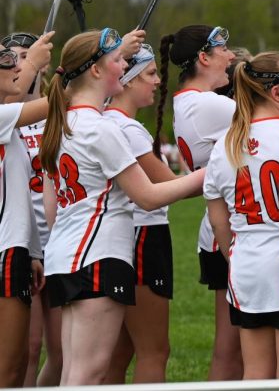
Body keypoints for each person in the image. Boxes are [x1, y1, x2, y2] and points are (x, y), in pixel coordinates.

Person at [40, 30, 204, 386]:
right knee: (88, 372)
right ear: (97, 71)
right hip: (98, 258)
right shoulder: (100, 129)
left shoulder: (62, 124)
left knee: (74, 369)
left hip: (65, 256)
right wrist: (212, 172)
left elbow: (52, 208)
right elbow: (148, 196)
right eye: (118, 62)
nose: (124, 68)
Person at [206, 52, 279, 379]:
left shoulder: (226, 142)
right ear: (277, 93)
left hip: (246, 270)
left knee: (255, 375)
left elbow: (217, 218)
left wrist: (234, 255)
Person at [155, 24, 242, 380]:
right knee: (234, 350)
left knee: (231, 347)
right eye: (225, 49)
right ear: (204, 58)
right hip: (234, 230)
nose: (232, 56)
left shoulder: (191, 102)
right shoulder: (211, 105)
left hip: (216, 228)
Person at [104, 45, 184, 383]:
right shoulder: (127, 128)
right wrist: (223, 170)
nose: (156, 82)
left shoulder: (110, 121)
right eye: (150, 74)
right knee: (154, 351)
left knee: (120, 353)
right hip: (143, 235)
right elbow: (169, 184)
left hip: (129, 235)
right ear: (126, 79)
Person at [0, 30, 64, 387]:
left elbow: (18, 200)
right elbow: (58, 102)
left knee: (17, 361)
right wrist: (99, 64)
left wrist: (35, 253)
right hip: (4, 252)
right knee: (10, 367)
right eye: (7, 59)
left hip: (21, 250)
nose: (15, 66)